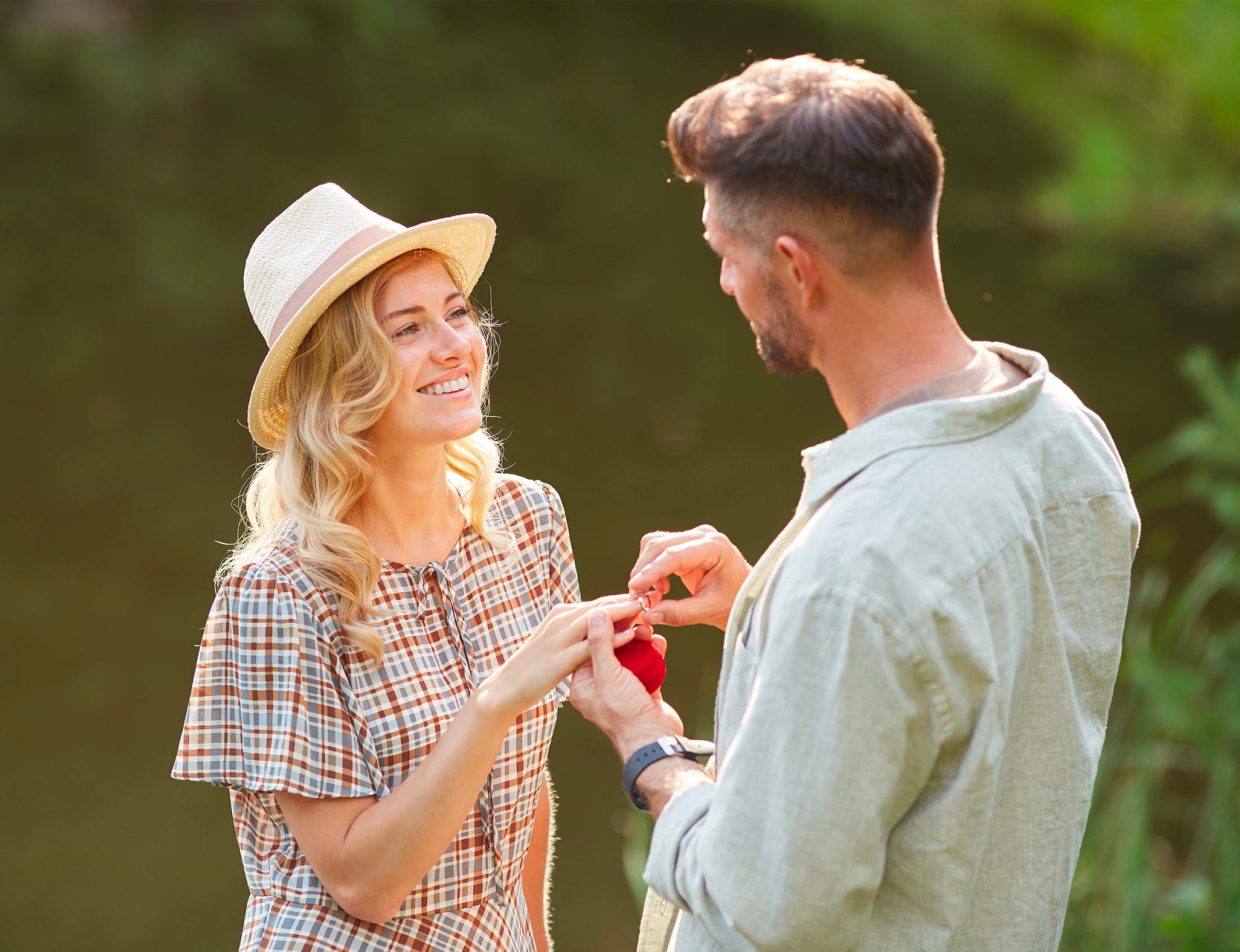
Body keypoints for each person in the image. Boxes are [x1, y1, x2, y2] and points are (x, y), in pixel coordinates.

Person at [569, 56, 1141, 951]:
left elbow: (769, 906)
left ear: (796, 269)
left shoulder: (857, 576)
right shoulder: (1068, 440)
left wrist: (648, 751)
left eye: (726, 254)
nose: (725, 283)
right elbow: (949, 711)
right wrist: (770, 610)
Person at [172, 183, 643, 951]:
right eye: (408, 328)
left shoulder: (526, 520)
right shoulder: (278, 593)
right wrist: (495, 702)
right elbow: (364, 883)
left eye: (457, 312)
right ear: (341, 374)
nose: (455, 343)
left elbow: (520, 793)